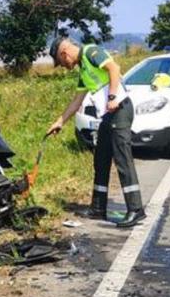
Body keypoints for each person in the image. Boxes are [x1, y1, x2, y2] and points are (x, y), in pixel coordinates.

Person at [45, 36, 145, 228]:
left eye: (61, 62)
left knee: (122, 158)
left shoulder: (91, 52)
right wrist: (60, 121)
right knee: (101, 158)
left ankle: (136, 209)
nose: (65, 67)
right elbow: (77, 101)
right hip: (108, 116)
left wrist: (113, 96)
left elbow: (114, 68)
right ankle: (98, 207)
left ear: (64, 53)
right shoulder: (84, 69)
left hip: (120, 110)